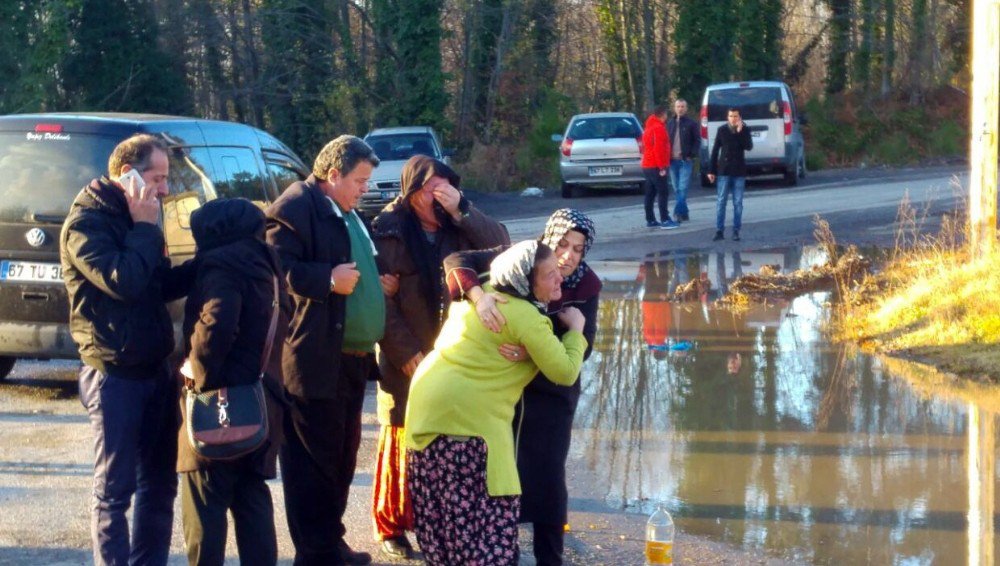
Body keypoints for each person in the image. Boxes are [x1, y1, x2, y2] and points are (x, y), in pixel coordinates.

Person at [405, 240, 588, 565]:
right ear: (525, 282)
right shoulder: (526, 317)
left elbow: (457, 260)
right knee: (490, 542)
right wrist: (576, 330)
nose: (558, 277)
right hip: (467, 429)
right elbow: (566, 370)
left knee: (446, 536)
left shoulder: (485, 291)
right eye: (548, 275)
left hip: (424, 416)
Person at [61, 133, 198, 565]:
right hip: (113, 375)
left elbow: (157, 285)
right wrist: (142, 226)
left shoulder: (139, 216)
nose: (165, 189)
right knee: (114, 492)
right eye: (158, 178)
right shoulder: (85, 224)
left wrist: (213, 261)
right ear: (129, 175)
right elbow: (125, 281)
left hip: (156, 370)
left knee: (160, 483)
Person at [443, 208, 601, 565]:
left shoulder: (586, 285)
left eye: (578, 249)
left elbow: (584, 348)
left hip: (553, 397)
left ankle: (550, 557)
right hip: (507, 394)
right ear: (548, 238)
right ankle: (502, 553)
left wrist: (533, 353)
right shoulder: (522, 259)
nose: (568, 256)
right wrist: (479, 296)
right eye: (562, 244)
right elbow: (456, 260)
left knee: (547, 480)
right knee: (501, 476)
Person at [370, 155, 509, 558]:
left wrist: (461, 209)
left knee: (447, 436)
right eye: (433, 186)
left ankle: (440, 520)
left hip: (455, 350)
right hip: (407, 352)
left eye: (447, 184)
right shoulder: (388, 227)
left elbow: (502, 245)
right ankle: (391, 524)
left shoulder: (458, 223)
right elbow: (383, 303)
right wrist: (404, 352)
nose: (440, 192)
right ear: (412, 191)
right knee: (401, 430)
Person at [265, 135, 384, 565]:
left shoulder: (343, 209)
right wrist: (328, 280)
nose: (364, 189)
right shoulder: (294, 207)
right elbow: (277, 270)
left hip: (350, 361)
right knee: (311, 466)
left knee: (341, 460)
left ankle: (331, 544)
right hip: (313, 360)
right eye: (359, 180)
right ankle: (314, 554)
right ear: (333, 175)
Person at [177, 198, 290, 566]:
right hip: (260, 402)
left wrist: (197, 368)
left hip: (218, 405)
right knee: (252, 500)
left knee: (205, 510)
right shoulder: (265, 265)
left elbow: (217, 325)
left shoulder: (222, 266)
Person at [708, 107, 754, 242]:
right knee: (721, 201)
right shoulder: (722, 130)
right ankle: (719, 230)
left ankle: (736, 230)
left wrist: (739, 132)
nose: (733, 119)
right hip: (724, 171)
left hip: (739, 171)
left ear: (740, 118)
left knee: (738, 202)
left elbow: (748, 146)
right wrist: (711, 171)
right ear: (727, 117)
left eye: (735, 116)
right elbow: (715, 150)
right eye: (731, 116)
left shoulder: (745, 130)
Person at [641, 105, 679, 230]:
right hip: (656, 165)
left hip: (647, 164)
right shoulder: (659, 128)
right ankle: (665, 219)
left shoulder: (648, 127)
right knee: (663, 192)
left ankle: (650, 219)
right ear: (663, 115)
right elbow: (659, 149)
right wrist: (662, 166)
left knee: (650, 193)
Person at [666, 99, 701, 222]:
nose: (680, 108)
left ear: (686, 109)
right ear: (674, 108)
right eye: (678, 106)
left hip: (685, 161)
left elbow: (697, 141)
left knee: (683, 187)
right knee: (676, 188)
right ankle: (684, 212)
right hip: (672, 161)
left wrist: (691, 154)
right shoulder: (670, 123)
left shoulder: (691, 123)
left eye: (682, 106)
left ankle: (677, 213)